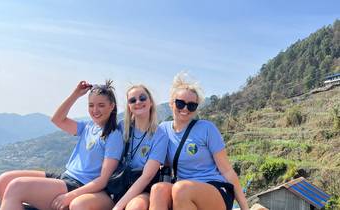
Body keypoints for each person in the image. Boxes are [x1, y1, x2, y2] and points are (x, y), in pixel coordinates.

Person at [0, 80, 124, 210]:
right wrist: (75, 94)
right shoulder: (88, 126)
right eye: (91, 105)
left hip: (80, 185)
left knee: (16, 187)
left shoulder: (113, 136)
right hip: (66, 176)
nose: (95, 110)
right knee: (4, 180)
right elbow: (57, 119)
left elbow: (102, 181)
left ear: (112, 106)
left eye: (101, 105)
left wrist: (69, 196)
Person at [149, 72, 249, 210]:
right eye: (180, 103)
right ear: (171, 103)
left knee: (181, 188)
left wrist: (245, 207)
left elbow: (227, 171)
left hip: (215, 189)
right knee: (158, 189)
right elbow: (162, 163)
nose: (185, 109)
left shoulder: (207, 128)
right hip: (182, 190)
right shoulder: (163, 129)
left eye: (191, 106)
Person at [77, 84, 169, 210]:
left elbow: (146, 176)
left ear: (151, 102)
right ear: (129, 106)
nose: (138, 102)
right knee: (80, 205)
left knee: (135, 207)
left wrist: (119, 206)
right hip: (117, 184)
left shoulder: (160, 136)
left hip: (141, 189)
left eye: (142, 98)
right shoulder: (122, 128)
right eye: (132, 100)